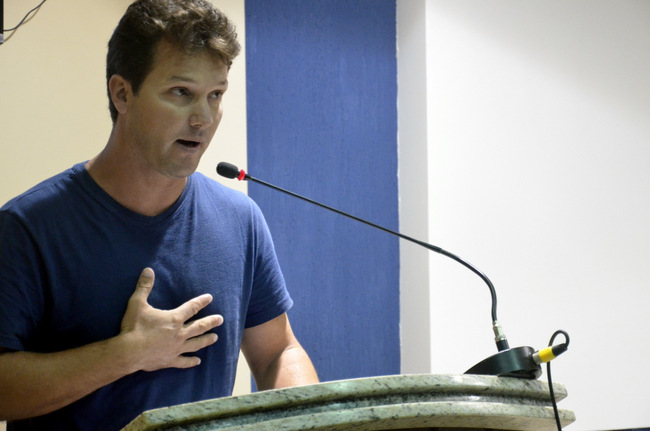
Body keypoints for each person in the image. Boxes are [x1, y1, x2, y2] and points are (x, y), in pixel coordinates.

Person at [0, 0, 318, 429]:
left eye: (216, 95)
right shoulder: (27, 228)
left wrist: (307, 417)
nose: (203, 118)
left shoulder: (240, 220)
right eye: (181, 92)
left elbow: (278, 351)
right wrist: (125, 355)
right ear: (122, 93)